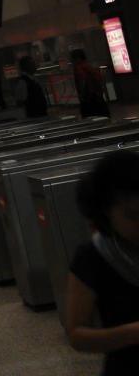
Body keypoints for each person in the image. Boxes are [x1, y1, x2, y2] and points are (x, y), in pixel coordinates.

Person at [66, 150, 139, 375]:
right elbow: (77, 334)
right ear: (106, 213)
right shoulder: (93, 257)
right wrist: (132, 333)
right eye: (132, 216)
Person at [72, 50, 111, 118]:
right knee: (101, 112)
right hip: (96, 93)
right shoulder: (88, 65)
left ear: (77, 58)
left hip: (89, 94)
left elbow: (82, 81)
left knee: (89, 114)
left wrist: (81, 95)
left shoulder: (79, 67)